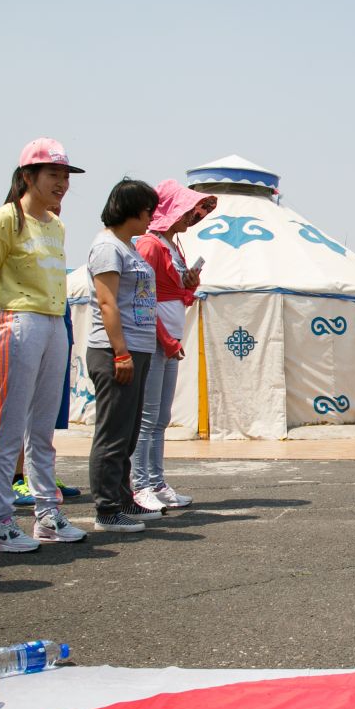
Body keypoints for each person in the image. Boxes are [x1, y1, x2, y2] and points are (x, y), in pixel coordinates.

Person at [0, 137, 85, 549]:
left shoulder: (56, 224)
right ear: (27, 176)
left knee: (41, 427)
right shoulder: (6, 218)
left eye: (65, 176)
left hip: (55, 322)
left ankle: (47, 514)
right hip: (19, 320)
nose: (62, 183)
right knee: (9, 425)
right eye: (53, 174)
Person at [85, 178, 163, 534]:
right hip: (115, 349)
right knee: (113, 432)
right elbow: (107, 302)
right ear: (130, 209)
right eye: (148, 209)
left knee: (128, 432)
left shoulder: (127, 246)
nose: (151, 216)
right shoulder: (107, 247)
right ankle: (106, 509)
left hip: (137, 348)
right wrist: (120, 352)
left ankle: (122, 497)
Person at [131, 179, 211, 512]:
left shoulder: (173, 247)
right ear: (170, 209)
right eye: (187, 210)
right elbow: (142, 298)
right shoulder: (150, 245)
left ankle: (157, 481)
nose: (192, 217)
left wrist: (190, 285)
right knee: (148, 417)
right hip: (153, 341)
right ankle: (139, 485)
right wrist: (164, 339)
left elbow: (177, 296)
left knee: (161, 417)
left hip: (169, 341)